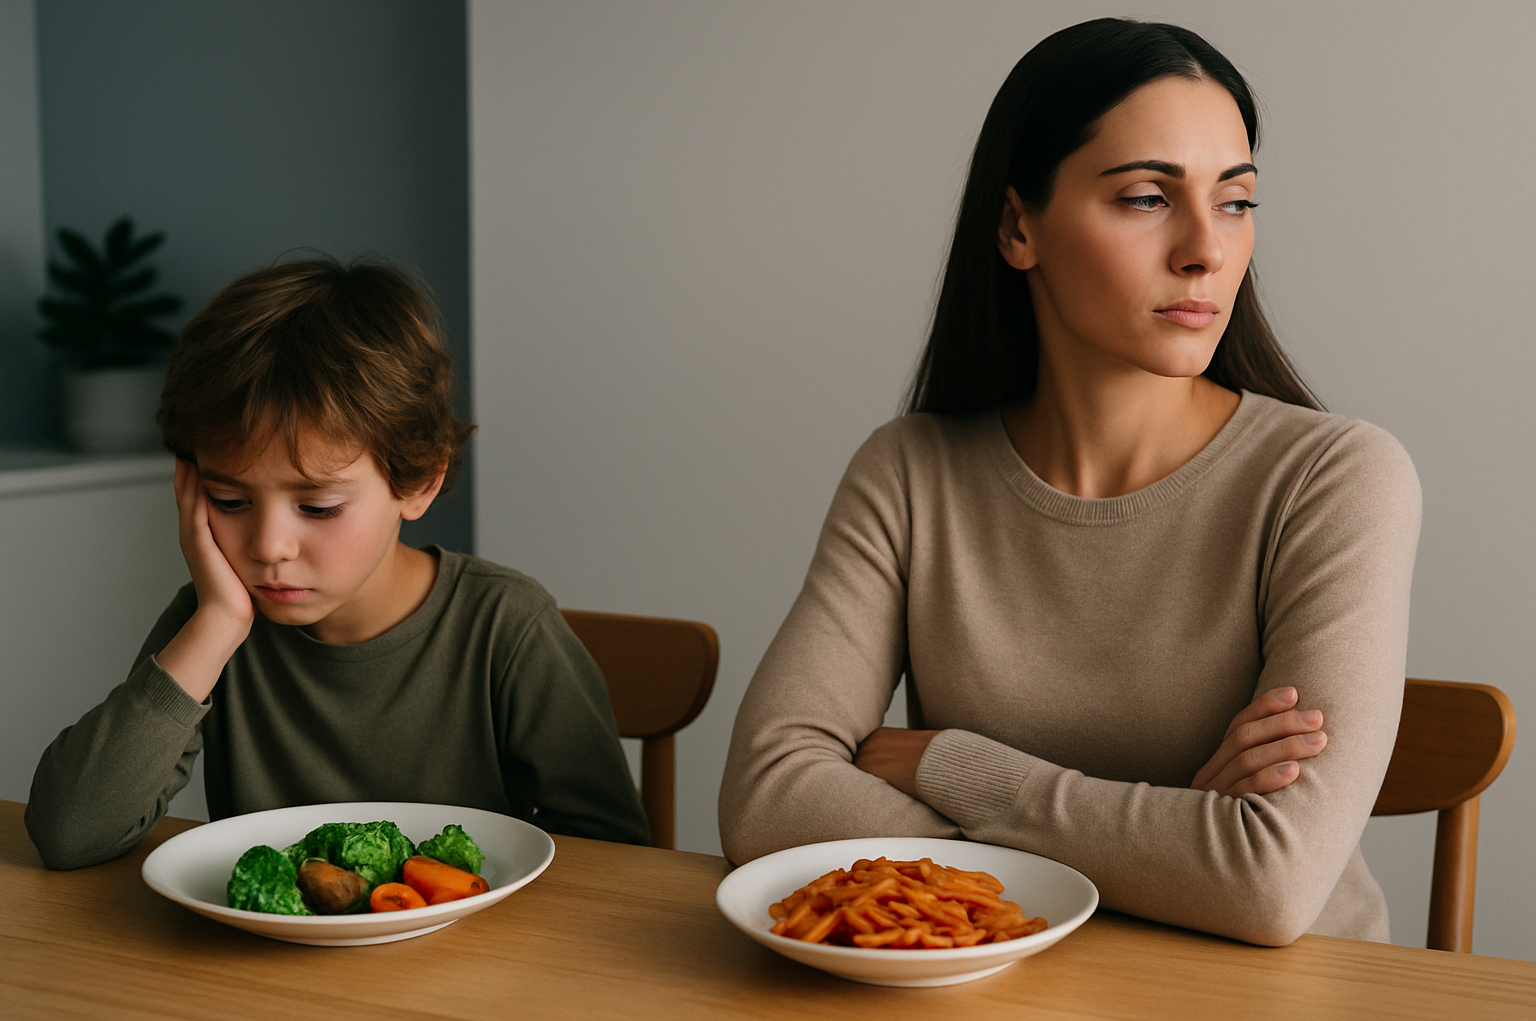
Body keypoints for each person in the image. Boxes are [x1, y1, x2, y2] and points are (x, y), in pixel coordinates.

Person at [718, 18, 1420, 946]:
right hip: (1008, 996)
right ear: (1018, 227)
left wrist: (958, 769)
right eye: (1145, 198)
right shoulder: (909, 471)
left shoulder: (1336, 478)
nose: (1206, 249)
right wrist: (1173, 837)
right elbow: (767, 797)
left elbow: (1267, 881)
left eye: (1237, 202)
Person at [27, 257, 649, 868]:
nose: (270, 546)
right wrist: (215, 626)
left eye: (319, 506)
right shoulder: (215, 625)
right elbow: (70, 833)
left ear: (419, 483)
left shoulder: (506, 627)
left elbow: (618, 865)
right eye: (229, 500)